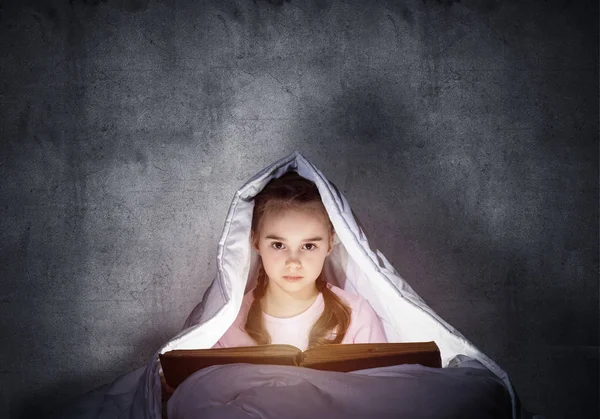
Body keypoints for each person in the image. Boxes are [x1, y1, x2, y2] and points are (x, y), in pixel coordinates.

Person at [213, 171, 387, 351]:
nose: (293, 263)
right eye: (279, 245)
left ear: (329, 244)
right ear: (256, 242)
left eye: (309, 246)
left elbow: (378, 377)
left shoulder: (356, 316)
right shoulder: (227, 324)